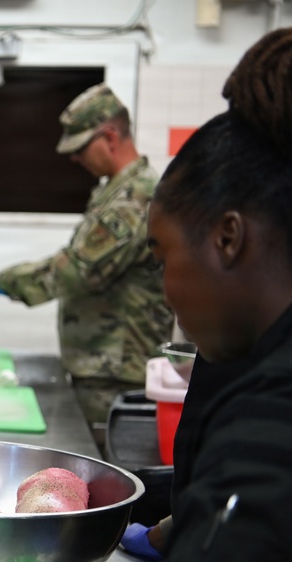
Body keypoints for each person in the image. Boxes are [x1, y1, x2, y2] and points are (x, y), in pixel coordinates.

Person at [120, 28, 292, 561]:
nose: (167, 290)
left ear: (227, 237)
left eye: (162, 257)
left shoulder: (270, 422)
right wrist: (176, 525)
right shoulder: (248, 357)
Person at [0, 83, 174, 430]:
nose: (75, 158)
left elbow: (76, 271)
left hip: (117, 367)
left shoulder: (133, 199)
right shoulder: (115, 189)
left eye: (80, 148)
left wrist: (13, 280)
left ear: (109, 136)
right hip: (105, 363)